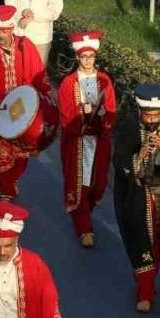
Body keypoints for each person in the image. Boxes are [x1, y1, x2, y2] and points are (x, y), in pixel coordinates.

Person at [0, 5, 58, 201]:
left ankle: (13, 180)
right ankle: (6, 192)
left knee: (21, 154)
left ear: (11, 29)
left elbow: (39, 75)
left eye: (3, 31)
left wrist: (46, 96)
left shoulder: (26, 47)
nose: (0, 35)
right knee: (0, 153)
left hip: (24, 112)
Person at [112, 83, 160, 312]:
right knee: (140, 240)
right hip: (137, 195)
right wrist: (139, 155)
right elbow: (120, 162)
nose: (152, 121)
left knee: (158, 240)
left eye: (156, 115)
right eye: (148, 116)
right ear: (140, 113)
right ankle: (145, 292)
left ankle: (148, 284)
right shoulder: (129, 129)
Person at [58, 31, 116, 248]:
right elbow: (66, 114)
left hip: (98, 140)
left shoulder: (104, 80)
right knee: (79, 183)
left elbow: (111, 108)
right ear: (78, 58)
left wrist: (103, 117)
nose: (88, 61)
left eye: (91, 57)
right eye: (84, 57)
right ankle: (84, 227)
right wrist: (82, 111)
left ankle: (85, 214)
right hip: (79, 142)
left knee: (97, 184)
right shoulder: (67, 83)